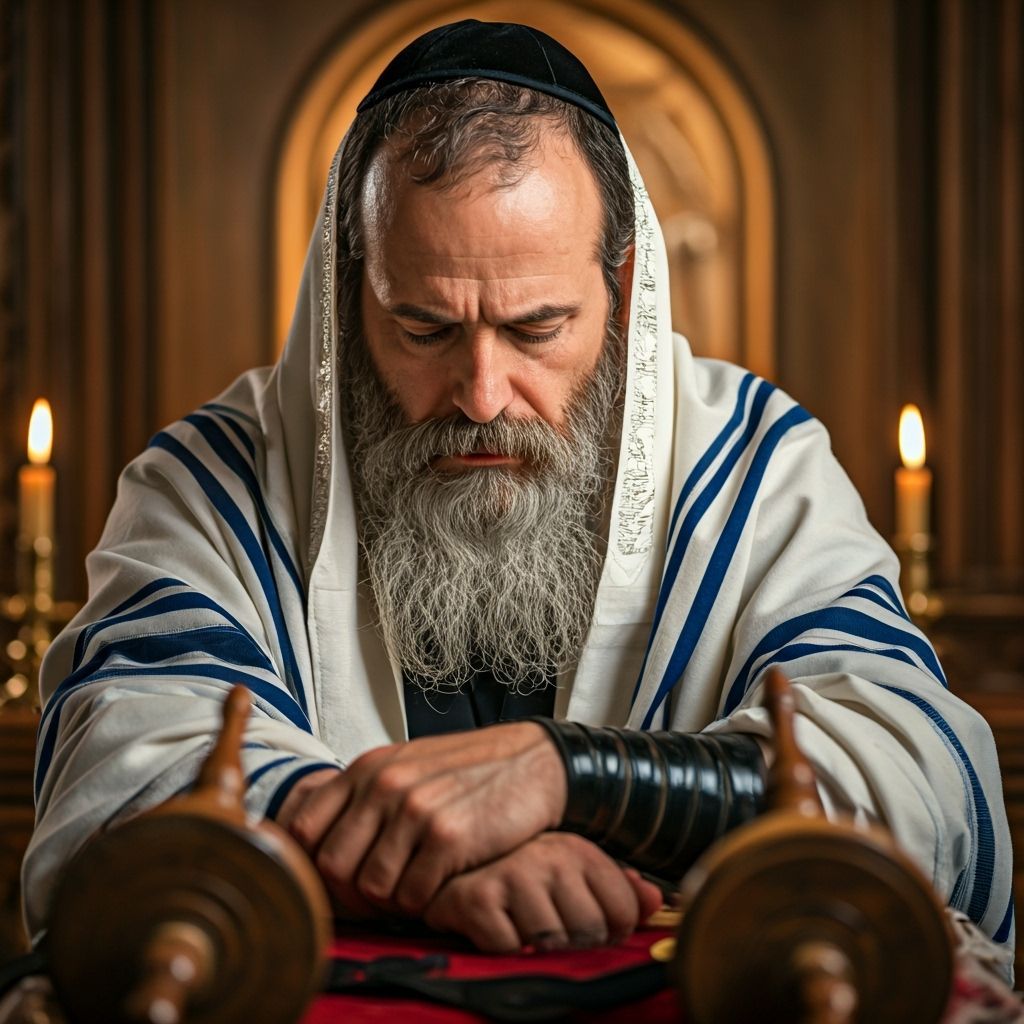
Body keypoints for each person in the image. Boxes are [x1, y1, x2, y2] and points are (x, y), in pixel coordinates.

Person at [23, 20, 1013, 961]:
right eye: (423, 330)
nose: (483, 394)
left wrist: (570, 774)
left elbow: (917, 773)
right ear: (345, 293)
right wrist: (423, 866)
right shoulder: (210, 483)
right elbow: (122, 764)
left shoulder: (756, 466)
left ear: (621, 291)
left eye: (536, 328)